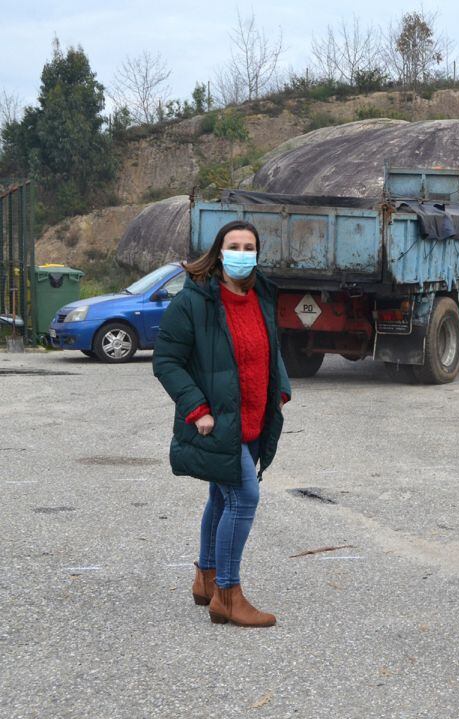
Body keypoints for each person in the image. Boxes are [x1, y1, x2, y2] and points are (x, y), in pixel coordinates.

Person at [153, 220, 291, 628]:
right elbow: (167, 362)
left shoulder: (260, 295)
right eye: (235, 245)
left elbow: (272, 348)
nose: (243, 253)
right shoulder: (194, 301)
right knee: (243, 497)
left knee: (221, 496)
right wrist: (198, 410)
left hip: (253, 417)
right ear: (218, 251)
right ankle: (227, 595)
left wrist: (279, 390)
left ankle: (206, 578)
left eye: (250, 247)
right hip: (216, 423)